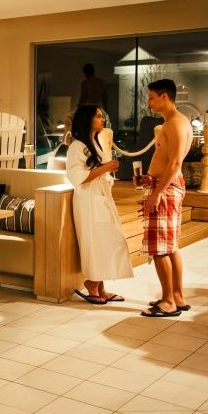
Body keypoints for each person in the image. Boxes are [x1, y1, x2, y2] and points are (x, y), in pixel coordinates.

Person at [66, 105, 133, 304]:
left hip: (101, 197)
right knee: (95, 242)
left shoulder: (95, 143)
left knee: (107, 240)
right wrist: (105, 168)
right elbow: (77, 177)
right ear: (87, 119)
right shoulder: (76, 147)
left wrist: (107, 169)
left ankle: (100, 287)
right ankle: (92, 284)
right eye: (98, 116)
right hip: (88, 200)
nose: (102, 119)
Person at [140, 79, 192, 318]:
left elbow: (175, 163)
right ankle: (177, 297)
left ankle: (169, 301)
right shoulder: (172, 122)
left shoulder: (175, 123)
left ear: (164, 96)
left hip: (167, 189)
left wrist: (157, 192)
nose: (148, 102)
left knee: (160, 248)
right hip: (164, 185)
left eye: (151, 97)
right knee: (170, 247)